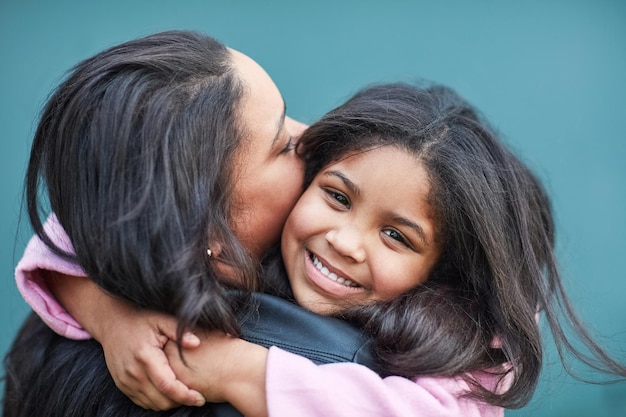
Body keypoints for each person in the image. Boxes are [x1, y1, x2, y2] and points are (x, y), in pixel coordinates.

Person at [2, 29, 375, 417]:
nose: (309, 134)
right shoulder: (336, 371)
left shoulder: (56, 332)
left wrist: (106, 314)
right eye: (281, 144)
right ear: (204, 232)